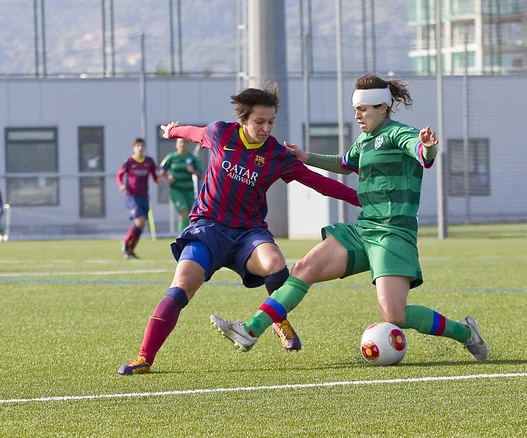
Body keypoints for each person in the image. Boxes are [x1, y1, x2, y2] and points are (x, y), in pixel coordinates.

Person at [211, 74, 488, 362]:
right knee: (303, 268)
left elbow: (421, 152)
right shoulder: (365, 140)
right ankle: (251, 329)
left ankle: (466, 333)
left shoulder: (398, 133)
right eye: (355, 109)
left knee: (395, 315)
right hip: (364, 228)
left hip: (392, 234)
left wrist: (427, 147)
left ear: (382, 106)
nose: (357, 115)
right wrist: (306, 156)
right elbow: (344, 163)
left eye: (363, 110)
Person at [118, 85, 360, 375]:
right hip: (208, 228)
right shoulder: (222, 133)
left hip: (248, 233)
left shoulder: (277, 155)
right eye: (259, 122)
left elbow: (316, 182)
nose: (266, 128)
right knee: (181, 286)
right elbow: (194, 133)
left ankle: (278, 320)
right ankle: (144, 358)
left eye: (271, 122)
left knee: (275, 263)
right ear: (243, 119)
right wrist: (173, 132)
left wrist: (360, 198)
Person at [116, 137, 163, 259]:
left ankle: (130, 250)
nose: (140, 148)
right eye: (138, 146)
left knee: (141, 225)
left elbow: (153, 172)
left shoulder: (149, 161)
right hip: (132, 196)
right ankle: (126, 241)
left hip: (144, 196)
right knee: (139, 221)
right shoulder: (129, 162)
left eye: (142, 146)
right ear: (134, 148)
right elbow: (120, 175)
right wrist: (121, 185)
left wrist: (157, 179)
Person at [160, 138, 204, 232]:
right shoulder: (171, 157)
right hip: (176, 190)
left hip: (189, 190)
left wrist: (193, 171)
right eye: (180, 142)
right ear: (176, 144)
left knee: (188, 215)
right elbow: (162, 169)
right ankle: (181, 237)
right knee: (184, 212)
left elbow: (201, 174)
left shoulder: (192, 158)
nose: (182, 144)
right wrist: (168, 178)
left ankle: (186, 234)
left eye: (185, 142)